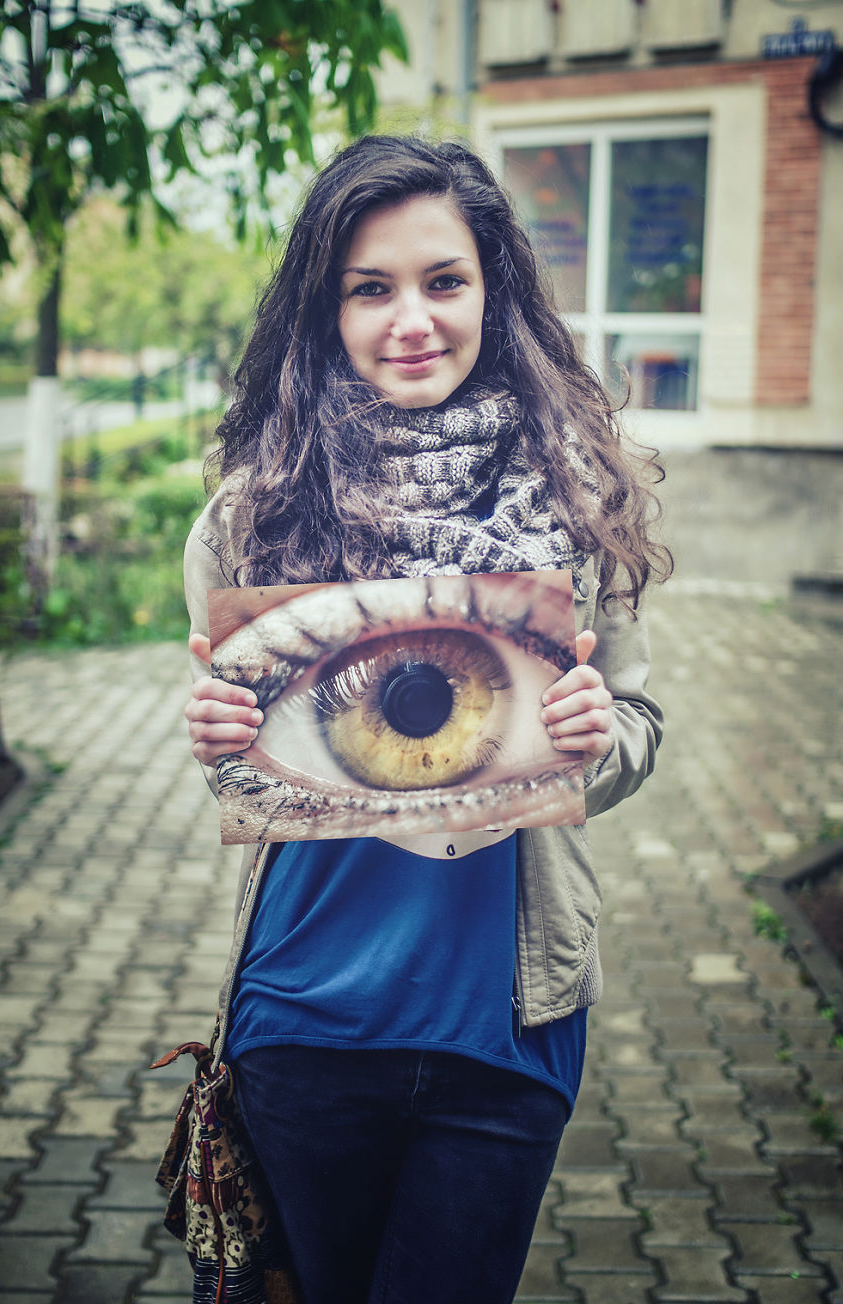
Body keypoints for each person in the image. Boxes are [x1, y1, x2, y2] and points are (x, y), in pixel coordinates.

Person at [182, 134, 670, 1304]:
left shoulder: (579, 492)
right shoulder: (252, 513)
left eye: (443, 280)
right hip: (303, 1015)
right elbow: (245, 760)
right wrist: (212, 734)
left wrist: (598, 733)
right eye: (370, 287)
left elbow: (639, 720)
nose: (413, 318)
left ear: (491, 292)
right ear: (326, 309)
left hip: (504, 1025)